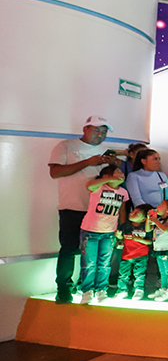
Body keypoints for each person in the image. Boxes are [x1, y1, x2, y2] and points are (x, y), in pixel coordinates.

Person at [48, 115, 120, 303]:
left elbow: (114, 180)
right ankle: (64, 289)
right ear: (85, 128)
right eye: (96, 130)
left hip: (99, 213)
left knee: (96, 253)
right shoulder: (66, 146)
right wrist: (88, 162)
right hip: (72, 208)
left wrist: (116, 164)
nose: (100, 134)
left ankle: (88, 288)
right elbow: (55, 172)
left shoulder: (105, 151)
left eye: (104, 131)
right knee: (69, 249)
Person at [79, 165, 129, 303]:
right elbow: (89, 185)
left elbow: (122, 210)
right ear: (107, 176)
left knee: (105, 263)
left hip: (109, 232)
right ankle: (87, 291)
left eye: (121, 172)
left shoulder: (123, 192)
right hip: (90, 230)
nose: (121, 174)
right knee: (89, 263)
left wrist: (121, 227)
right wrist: (108, 179)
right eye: (117, 172)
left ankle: (101, 290)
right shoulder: (99, 188)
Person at [114, 203, 154, 300]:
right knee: (123, 273)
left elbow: (150, 241)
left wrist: (139, 239)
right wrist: (118, 236)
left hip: (141, 254)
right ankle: (122, 290)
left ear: (144, 219)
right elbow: (121, 238)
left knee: (139, 273)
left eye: (136, 213)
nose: (132, 213)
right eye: (133, 211)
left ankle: (139, 290)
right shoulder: (125, 225)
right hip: (126, 254)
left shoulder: (147, 227)